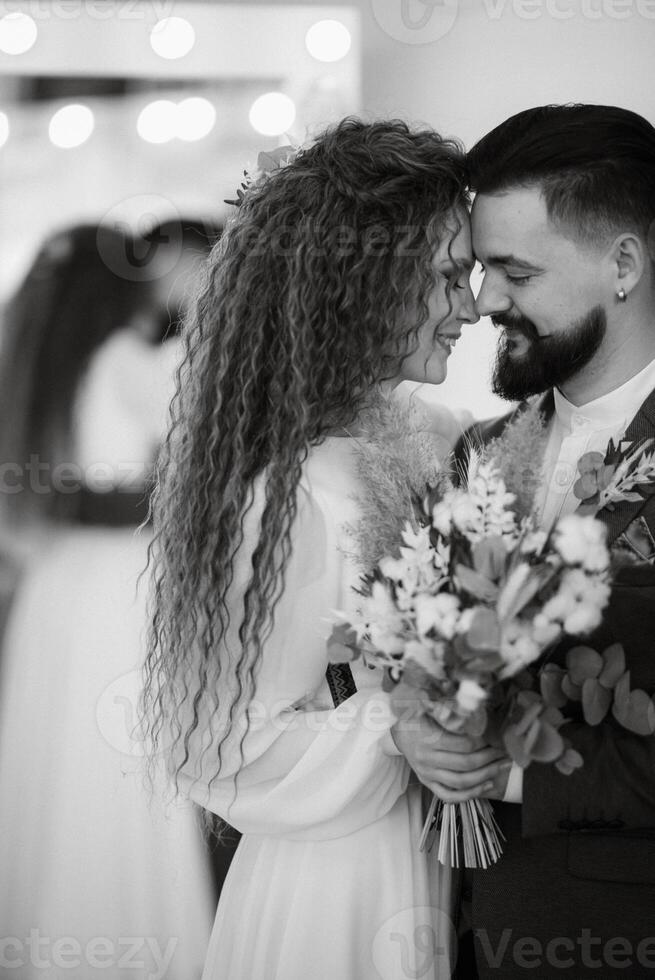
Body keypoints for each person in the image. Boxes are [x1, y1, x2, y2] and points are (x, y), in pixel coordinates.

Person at [141, 117, 514, 980]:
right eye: (449, 277)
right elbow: (219, 747)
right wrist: (396, 729)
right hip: (334, 888)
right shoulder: (276, 493)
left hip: (430, 861)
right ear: (364, 282)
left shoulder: (427, 433)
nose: (472, 306)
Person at [456, 103, 655, 979]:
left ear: (623, 263)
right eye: (478, 270)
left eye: (514, 272)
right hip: (452, 927)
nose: (484, 300)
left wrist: (511, 776)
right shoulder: (476, 455)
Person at [0, 223, 215, 978]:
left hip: (58, 586)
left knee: (57, 760)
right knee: (115, 765)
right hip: (117, 589)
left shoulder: (51, 369)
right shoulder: (133, 359)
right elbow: (201, 464)